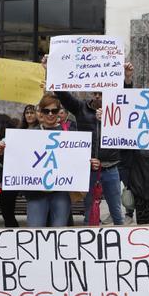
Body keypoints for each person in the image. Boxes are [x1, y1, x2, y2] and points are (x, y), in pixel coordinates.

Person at [46, 60, 134, 226]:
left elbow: (127, 98)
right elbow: (63, 95)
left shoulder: (117, 109)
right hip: (89, 168)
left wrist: (127, 78)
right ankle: (90, 242)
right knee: (89, 210)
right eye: (96, 93)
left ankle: (120, 245)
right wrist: (51, 70)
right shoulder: (81, 108)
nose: (98, 97)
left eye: (102, 94)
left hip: (111, 167)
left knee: (117, 212)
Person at [25, 94, 93, 227]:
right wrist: (2, 153)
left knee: (59, 232)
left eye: (54, 111)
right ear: (40, 112)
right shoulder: (29, 134)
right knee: (35, 230)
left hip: (61, 192)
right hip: (36, 193)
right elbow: (18, 160)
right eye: (46, 111)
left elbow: (78, 158)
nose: (50, 114)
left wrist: (88, 162)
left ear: (59, 112)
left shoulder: (70, 133)